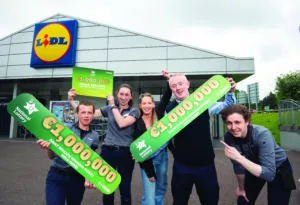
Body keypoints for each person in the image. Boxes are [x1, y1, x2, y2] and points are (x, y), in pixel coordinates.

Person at [166, 74, 236, 205]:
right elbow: (160, 136)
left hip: (206, 166)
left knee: (210, 201)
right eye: (174, 86)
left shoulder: (202, 102)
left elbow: (228, 105)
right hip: (182, 167)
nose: (178, 88)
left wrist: (230, 92)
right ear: (171, 89)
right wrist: (144, 151)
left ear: (187, 84)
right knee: (179, 201)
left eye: (180, 84)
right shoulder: (169, 110)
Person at [68, 84, 138, 205]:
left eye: (127, 94)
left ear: (131, 96)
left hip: (125, 152)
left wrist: (112, 105)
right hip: (108, 151)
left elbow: (121, 123)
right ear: (117, 94)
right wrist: (71, 101)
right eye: (121, 94)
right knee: (106, 186)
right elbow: (89, 113)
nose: (123, 97)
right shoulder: (108, 108)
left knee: (125, 186)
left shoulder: (134, 111)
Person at [220, 104, 296, 205]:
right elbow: (238, 166)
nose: (233, 128)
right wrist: (241, 188)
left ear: (247, 121)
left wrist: (239, 158)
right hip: (253, 165)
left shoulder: (262, 134)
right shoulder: (229, 137)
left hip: (278, 168)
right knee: (243, 200)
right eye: (229, 123)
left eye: (237, 122)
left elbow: (269, 174)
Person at [37, 101, 99, 205]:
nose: (86, 116)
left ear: (93, 115)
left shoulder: (95, 136)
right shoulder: (65, 129)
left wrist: (89, 177)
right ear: (77, 114)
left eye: (89, 113)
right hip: (57, 176)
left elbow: (89, 161)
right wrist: (49, 148)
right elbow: (51, 157)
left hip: (77, 179)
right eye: (83, 112)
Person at [133, 70, 172, 205]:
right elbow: (138, 150)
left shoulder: (159, 113)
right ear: (140, 105)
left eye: (149, 103)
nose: (147, 106)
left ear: (153, 104)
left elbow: (167, 95)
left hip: (163, 157)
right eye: (144, 103)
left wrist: (169, 79)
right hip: (148, 160)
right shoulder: (137, 123)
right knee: (149, 198)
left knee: (161, 189)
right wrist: (149, 171)